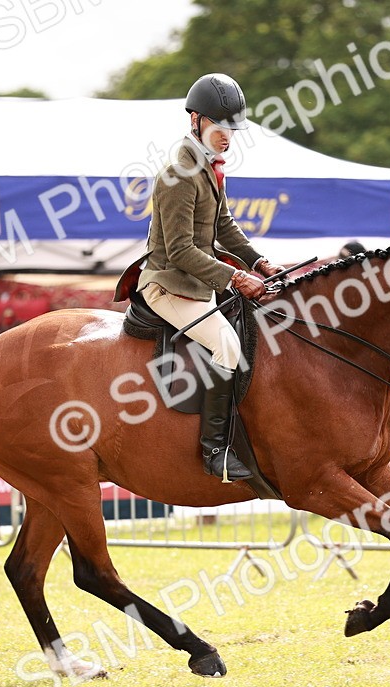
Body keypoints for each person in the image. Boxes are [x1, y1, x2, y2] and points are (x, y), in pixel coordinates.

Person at [134, 73, 283, 482]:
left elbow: (225, 228)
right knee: (228, 347)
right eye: (221, 129)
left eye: (233, 130)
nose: (228, 138)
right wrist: (236, 278)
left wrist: (260, 262)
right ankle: (215, 452)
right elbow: (180, 250)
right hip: (168, 284)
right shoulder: (178, 176)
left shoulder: (212, 170)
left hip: (199, 283)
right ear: (196, 121)